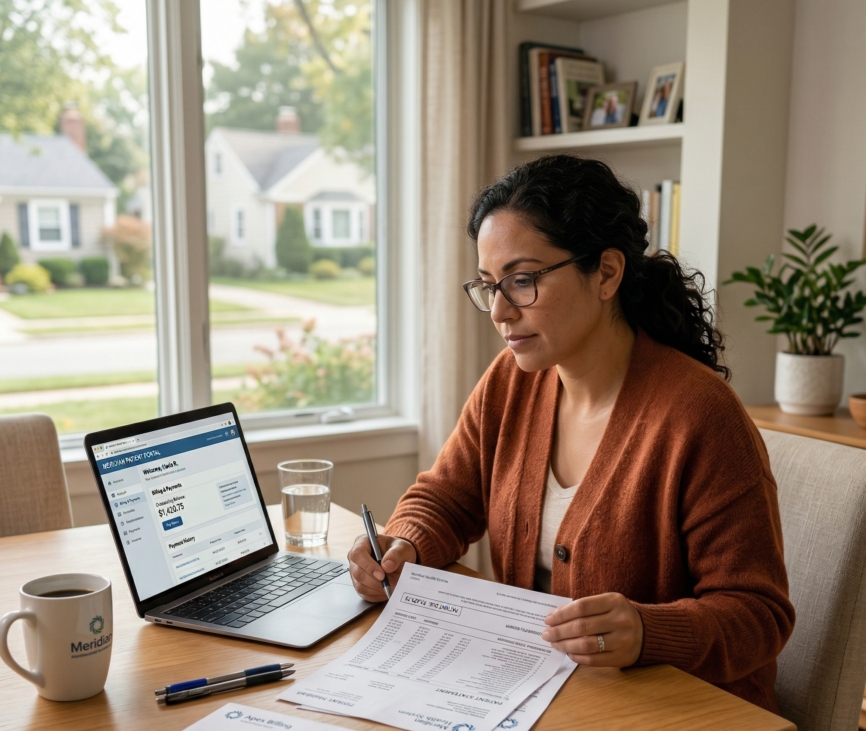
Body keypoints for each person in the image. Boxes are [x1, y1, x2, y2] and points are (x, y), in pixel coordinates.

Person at [347, 155, 795, 713]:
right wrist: (404, 544)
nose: (500, 312)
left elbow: (758, 615)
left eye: (524, 280)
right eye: (489, 286)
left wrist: (647, 631)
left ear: (606, 273)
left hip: (679, 713)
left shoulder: (700, 415)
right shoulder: (511, 383)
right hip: (539, 694)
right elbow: (447, 496)